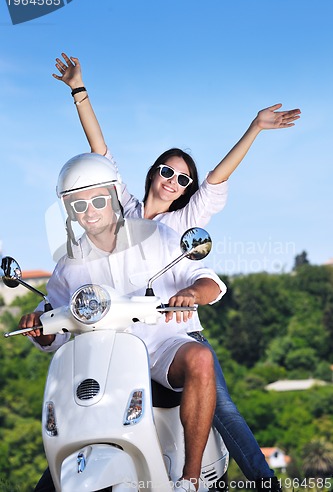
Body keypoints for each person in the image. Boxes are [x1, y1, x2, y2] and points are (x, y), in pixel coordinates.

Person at [53, 53, 301, 491]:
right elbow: (100, 155)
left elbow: (218, 180)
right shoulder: (123, 213)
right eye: (168, 171)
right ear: (153, 173)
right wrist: (79, 90)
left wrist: (256, 127)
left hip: (176, 333)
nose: (173, 181)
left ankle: (261, 484)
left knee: (224, 410)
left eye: (183, 179)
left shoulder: (182, 225)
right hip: (120, 338)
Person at [19, 153, 227, 492]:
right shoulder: (69, 266)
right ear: (68, 210)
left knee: (200, 358)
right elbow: (52, 326)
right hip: (105, 361)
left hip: (163, 347)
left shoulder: (158, 235)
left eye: (98, 200)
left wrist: (191, 293)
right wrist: (37, 325)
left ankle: (191, 481)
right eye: (79, 205)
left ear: (114, 196)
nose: (89, 212)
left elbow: (208, 281)